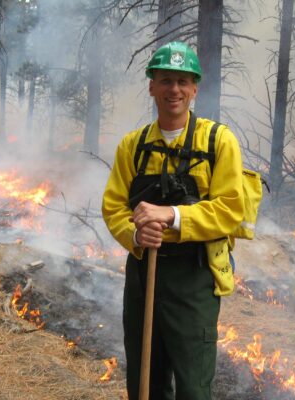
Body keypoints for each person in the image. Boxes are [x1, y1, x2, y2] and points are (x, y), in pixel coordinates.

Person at [102, 41, 245, 399]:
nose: (174, 90)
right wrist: (136, 236)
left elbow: (230, 209)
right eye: (166, 80)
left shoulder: (218, 141)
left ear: (195, 88)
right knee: (144, 381)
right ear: (152, 85)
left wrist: (173, 215)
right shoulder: (132, 146)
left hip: (194, 279)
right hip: (143, 275)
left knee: (193, 385)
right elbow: (114, 207)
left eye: (183, 81)